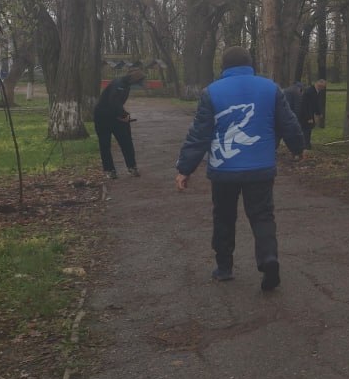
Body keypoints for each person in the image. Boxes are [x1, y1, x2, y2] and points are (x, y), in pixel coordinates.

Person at [174, 46, 305, 290]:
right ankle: (268, 258)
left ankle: (224, 268)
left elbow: (199, 134)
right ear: (250, 64)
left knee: (223, 216)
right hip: (261, 167)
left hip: (224, 169)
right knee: (262, 215)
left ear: (224, 67)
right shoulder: (271, 88)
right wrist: (298, 147)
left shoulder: (211, 92)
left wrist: (185, 168)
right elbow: (288, 123)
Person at [94, 66, 145, 179]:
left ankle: (132, 167)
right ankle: (109, 170)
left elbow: (117, 104)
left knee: (126, 142)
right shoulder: (119, 85)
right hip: (102, 117)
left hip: (115, 115)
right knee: (105, 144)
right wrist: (123, 115)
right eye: (139, 81)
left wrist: (123, 114)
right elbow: (114, 102)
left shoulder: (125, 84)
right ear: (134, 79)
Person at [299, 78, 327, 149]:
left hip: (310, 113)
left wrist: (319, 112)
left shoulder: (316, 91)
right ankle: (305, 145)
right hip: (305, 114)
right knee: (306, 130)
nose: (322, 89)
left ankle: (307, 144)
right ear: (319, 85)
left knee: (309, 129)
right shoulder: (309, 91)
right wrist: (309, 117)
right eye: (322, 87)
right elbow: (305, 105)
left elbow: (315, 104)